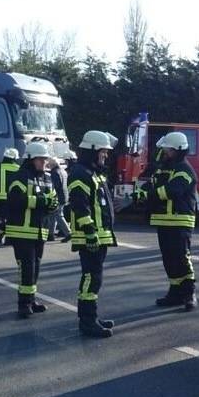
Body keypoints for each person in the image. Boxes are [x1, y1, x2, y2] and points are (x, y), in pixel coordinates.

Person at [139, 131, 198, 310]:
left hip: (180, 220)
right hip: (163, 220)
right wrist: (141, 192)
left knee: (182, 257)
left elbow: (172, 190)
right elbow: (153, 183)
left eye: (168, 150)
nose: (165, 152)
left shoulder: (185, 170)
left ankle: (189, 294)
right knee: (169, 259)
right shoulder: (163, 168)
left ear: (176, 150)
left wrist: (148, 195)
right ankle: (175, 292)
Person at [68, 131, 118, 338]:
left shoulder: (93, 173)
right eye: (102, 152)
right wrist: (89, 232)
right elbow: (80, 205)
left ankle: (92, 317)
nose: (105, 156)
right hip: (90, 236)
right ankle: (87, 322)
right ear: (91, 151)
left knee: (95, 279)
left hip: (99, 235)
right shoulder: (80, 173)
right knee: (90, 278)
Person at [4, 141, 57, 318]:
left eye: (45, 159)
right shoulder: (19, 176)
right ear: (30, 159)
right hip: (21, 231)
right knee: (26, 268)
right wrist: (41, 202)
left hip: (40, 231)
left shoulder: (47, 178)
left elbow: (53, 199)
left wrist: (52, 205)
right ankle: (23, 304)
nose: (44, 163)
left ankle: (31, 299)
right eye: (40, 159)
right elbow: (15, 200)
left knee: (36, 268)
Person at [47, 157, 72, 242]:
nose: (48, 165)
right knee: (53, 215)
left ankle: (68, 233)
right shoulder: (63, 171)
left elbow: (56, 186)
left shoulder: (54, 172)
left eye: (49, 164)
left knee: (58, 215)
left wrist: (52, 196)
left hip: (58, 196)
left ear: (53, 164)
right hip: (65, 195)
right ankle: (51, 234)